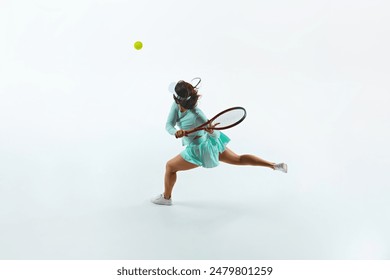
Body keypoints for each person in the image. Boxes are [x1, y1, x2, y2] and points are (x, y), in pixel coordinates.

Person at [151, 78, 287, 206]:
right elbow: (168, 125)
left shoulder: (198, 114)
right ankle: (274, 166)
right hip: (205, 145)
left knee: (170, 167)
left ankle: (166, 198)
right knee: (238, 159)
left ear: (180, 99)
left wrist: (211, 131)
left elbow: (215, 133)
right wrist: (175, 132)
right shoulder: (176, 106)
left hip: (201, 148)